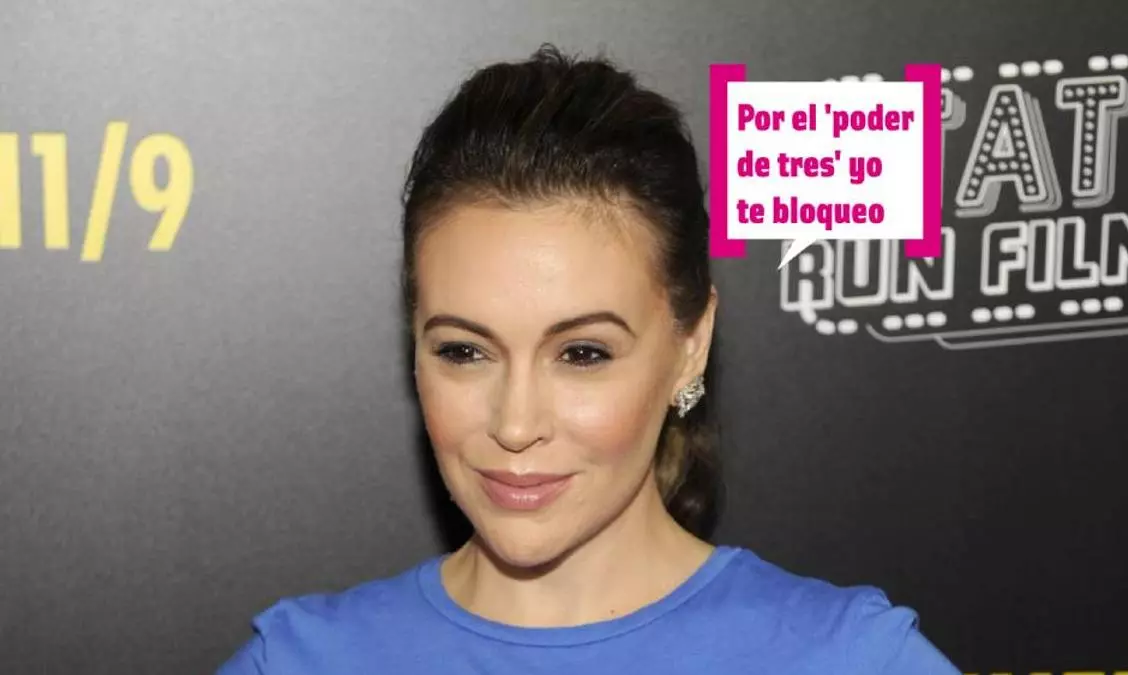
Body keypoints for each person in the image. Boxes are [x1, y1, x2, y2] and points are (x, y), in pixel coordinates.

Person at [217, 45, 960, 674]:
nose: (515, 424)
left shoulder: (850, 659)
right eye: (464, 351)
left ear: (691, 344)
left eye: (581, 353)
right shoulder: (300, 661)